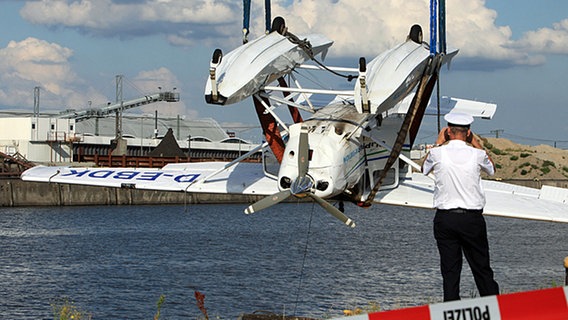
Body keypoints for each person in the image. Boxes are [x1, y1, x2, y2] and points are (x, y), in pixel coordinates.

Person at [422, 112, 499, 301]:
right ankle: (496, 309)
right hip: (472, 219)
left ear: (448, 131)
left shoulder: (436, 153)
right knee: (481, 268)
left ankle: (451, 310)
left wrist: (439, 142)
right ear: (468, 132)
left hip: (445, 218)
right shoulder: (477, 155)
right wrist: (476, 143)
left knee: (450, 272)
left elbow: (424, 168)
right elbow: (492, 169)